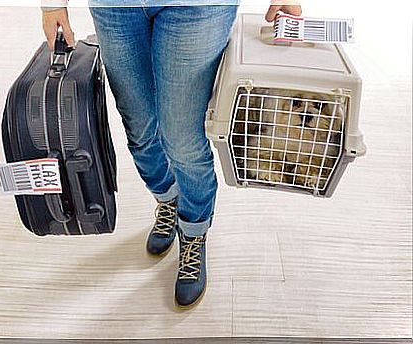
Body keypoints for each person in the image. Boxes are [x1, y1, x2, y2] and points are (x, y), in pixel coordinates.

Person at [41, 0, 302, 310]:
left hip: (198, 7)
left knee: (183, 139)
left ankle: (193, 229)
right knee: (139, 129)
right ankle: (168, 200)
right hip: (115, 6)